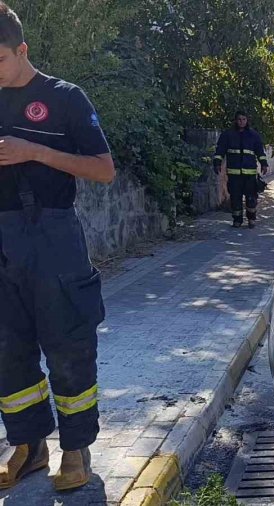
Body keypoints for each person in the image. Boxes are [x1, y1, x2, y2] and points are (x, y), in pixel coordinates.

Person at [0, 1, 115, 491]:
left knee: (68, 346)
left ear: (21, 49)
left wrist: (34, 151)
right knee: (7, 350)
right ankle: (28, 447)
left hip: (54, 238)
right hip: (3, 239)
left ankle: (75, 450)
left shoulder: (64, 97)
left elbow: (104, 170)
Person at [214, 112, 269, 228]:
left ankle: (251, 219)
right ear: (235, 120)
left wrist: (264, 164)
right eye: (239, 119)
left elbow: (260, 151)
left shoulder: (253, 135)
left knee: (251, 198)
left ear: (247, 120)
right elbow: (220, 150)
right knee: (235, 198)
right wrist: (217, 163)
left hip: (250, 173)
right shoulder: (227, 135)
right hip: (234, 174)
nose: (241, 122)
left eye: (244, 119)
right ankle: (237, 220)